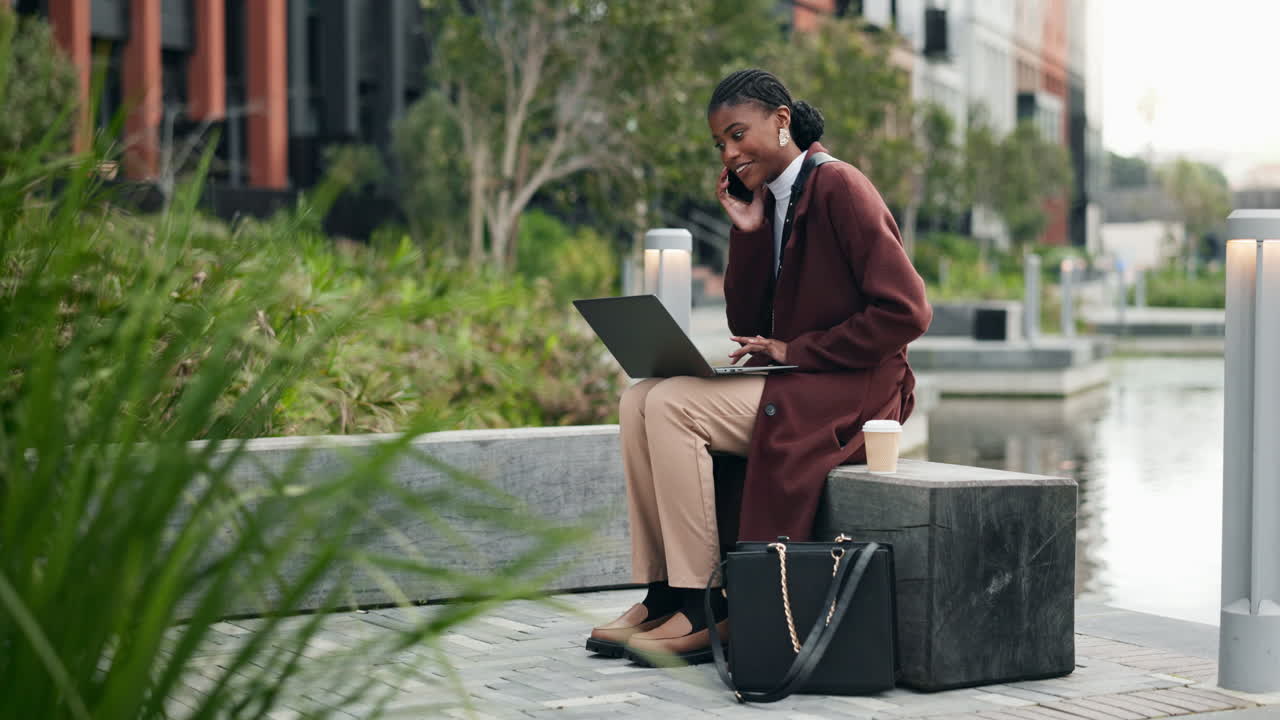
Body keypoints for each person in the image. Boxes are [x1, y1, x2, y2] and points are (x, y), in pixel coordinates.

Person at [587, 69, 932, 665]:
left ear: (782, 120)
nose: (730, 152)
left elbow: (907, 312)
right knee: (639, 397)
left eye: (739, 133)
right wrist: (746, 234)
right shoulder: (771, 202)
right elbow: (748, 324)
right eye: (721, 143)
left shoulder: (840, 187)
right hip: (804, 379)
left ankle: (706, 603)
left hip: (852, 389)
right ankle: (663, 591)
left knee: (671, 406)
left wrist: (797, 351)